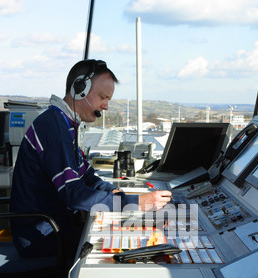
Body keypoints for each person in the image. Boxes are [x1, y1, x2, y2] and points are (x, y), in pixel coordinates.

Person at [10, 59, 171, 263]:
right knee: (127, 245)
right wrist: (136, 202)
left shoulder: (65, 124)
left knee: (128, 234)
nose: (105, 106)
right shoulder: (54, 128)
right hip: (42, 237)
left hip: (56, 227)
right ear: (80, 89)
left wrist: (114, 192)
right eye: (103, 97)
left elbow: (86, 176)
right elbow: (74, 195)